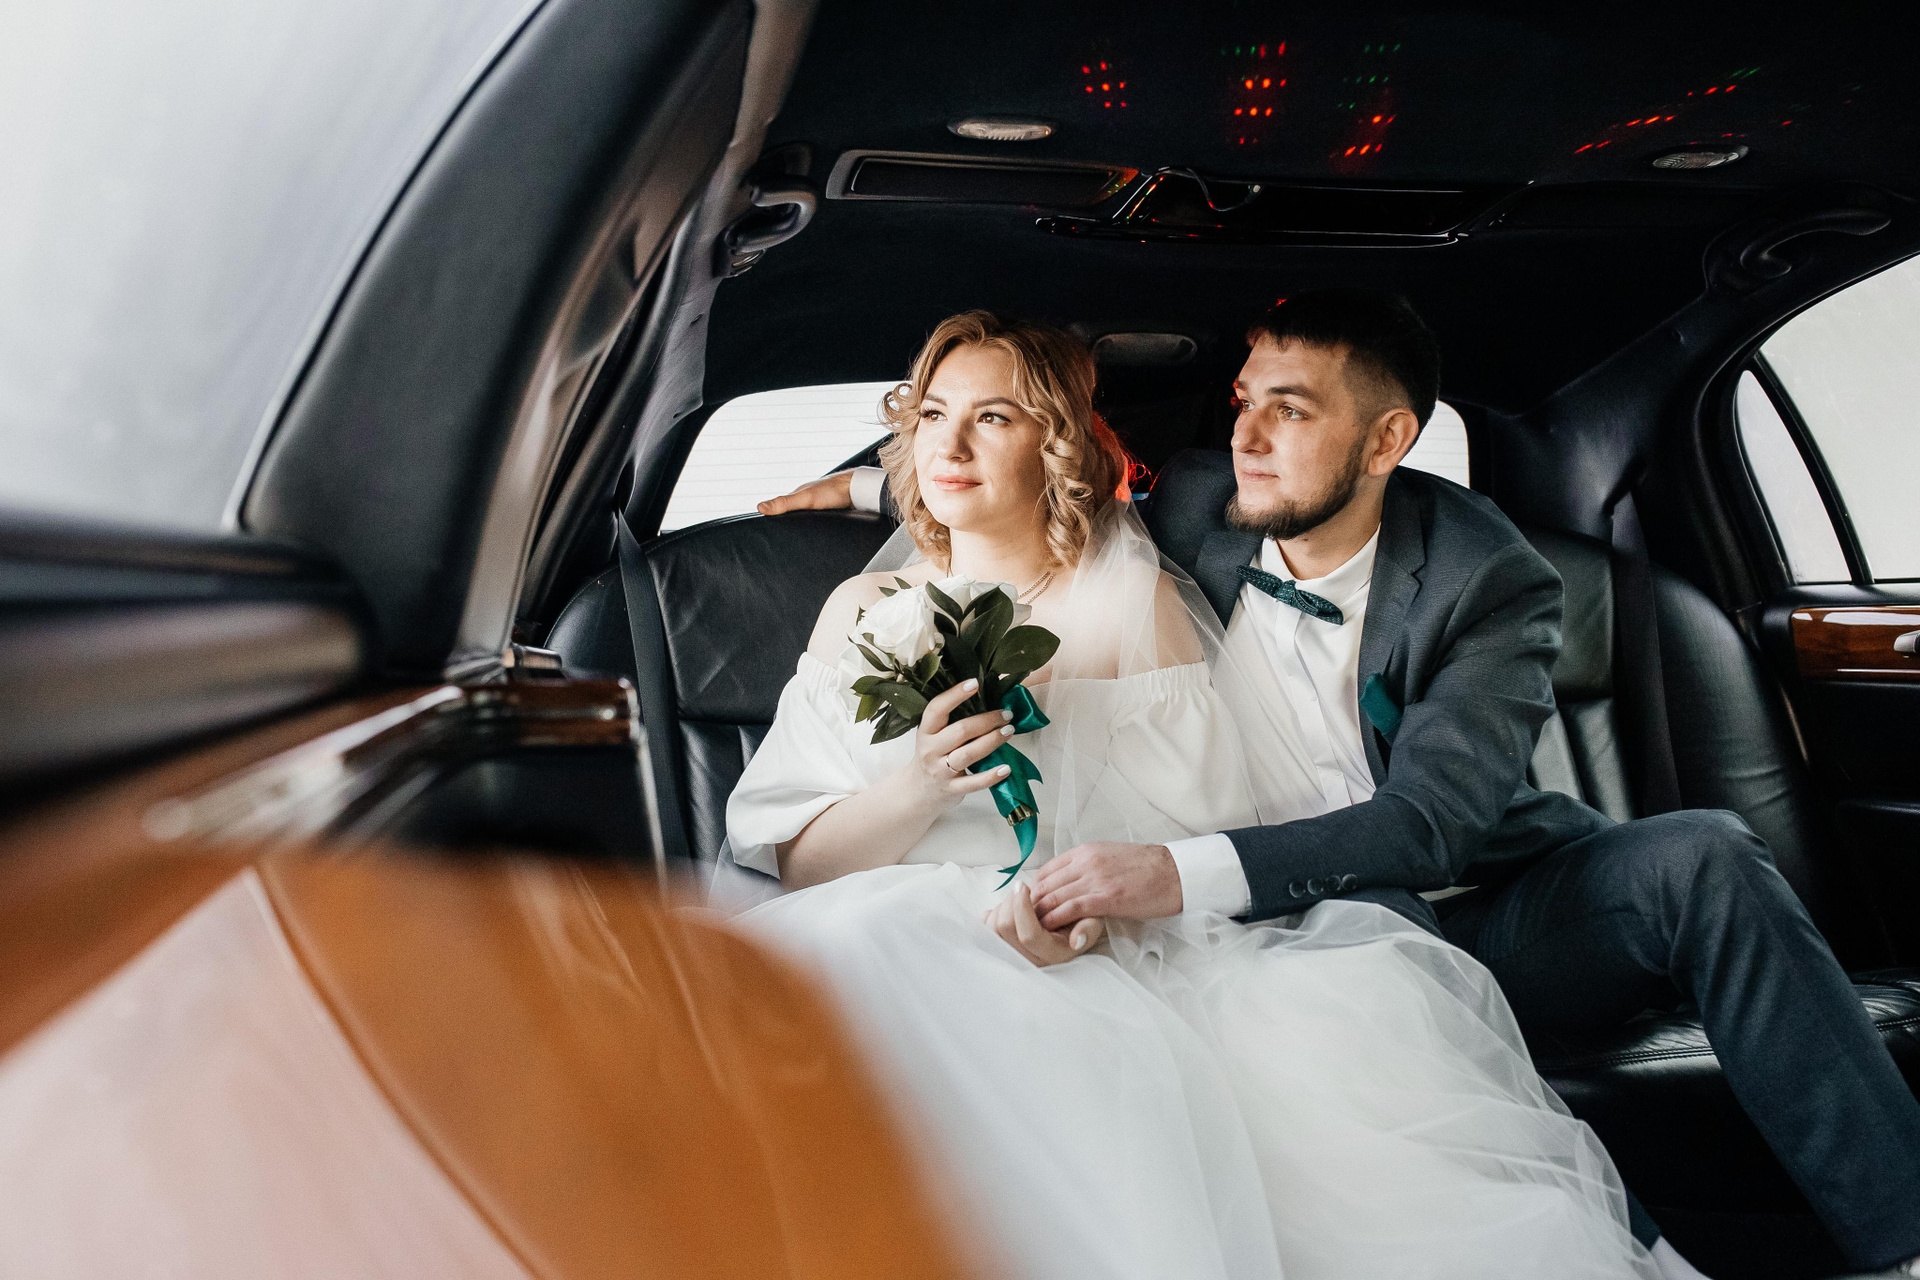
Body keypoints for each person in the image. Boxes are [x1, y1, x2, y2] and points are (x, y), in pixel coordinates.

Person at [766, 291, 1920, 1280]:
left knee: (1705, 854)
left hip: (1462, 904)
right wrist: (863, 487)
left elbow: (1428, 826)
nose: (1252, 437)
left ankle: (1900, 1241)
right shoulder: (1203, 503)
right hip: (1273, 920)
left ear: (1386, 440)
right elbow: (1041, 490)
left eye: (1293, 410)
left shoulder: (1486, 579)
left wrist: (1172, 873)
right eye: (1245, 404)